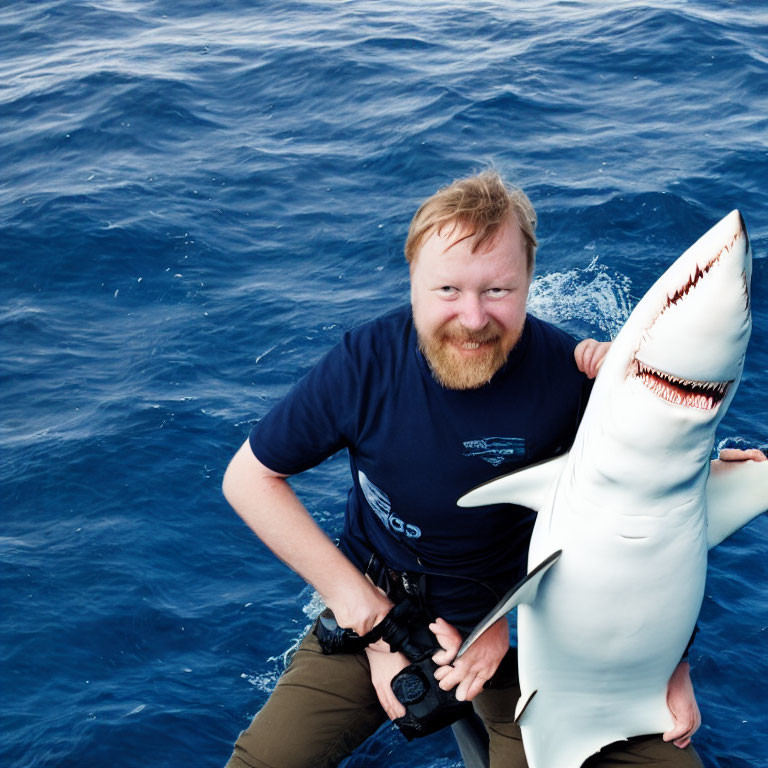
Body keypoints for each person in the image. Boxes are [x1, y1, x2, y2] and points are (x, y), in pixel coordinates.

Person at [222, 170, 705, 768]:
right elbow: (248, 478)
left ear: (529, 283)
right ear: (414, 282)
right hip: (381, 606)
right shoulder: (364, 365)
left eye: (498, 291)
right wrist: (373, 626)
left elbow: (656, 527)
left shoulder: (571, 380)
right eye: (447, 290)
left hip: (522, 630)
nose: (473, 319)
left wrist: (670, 666)